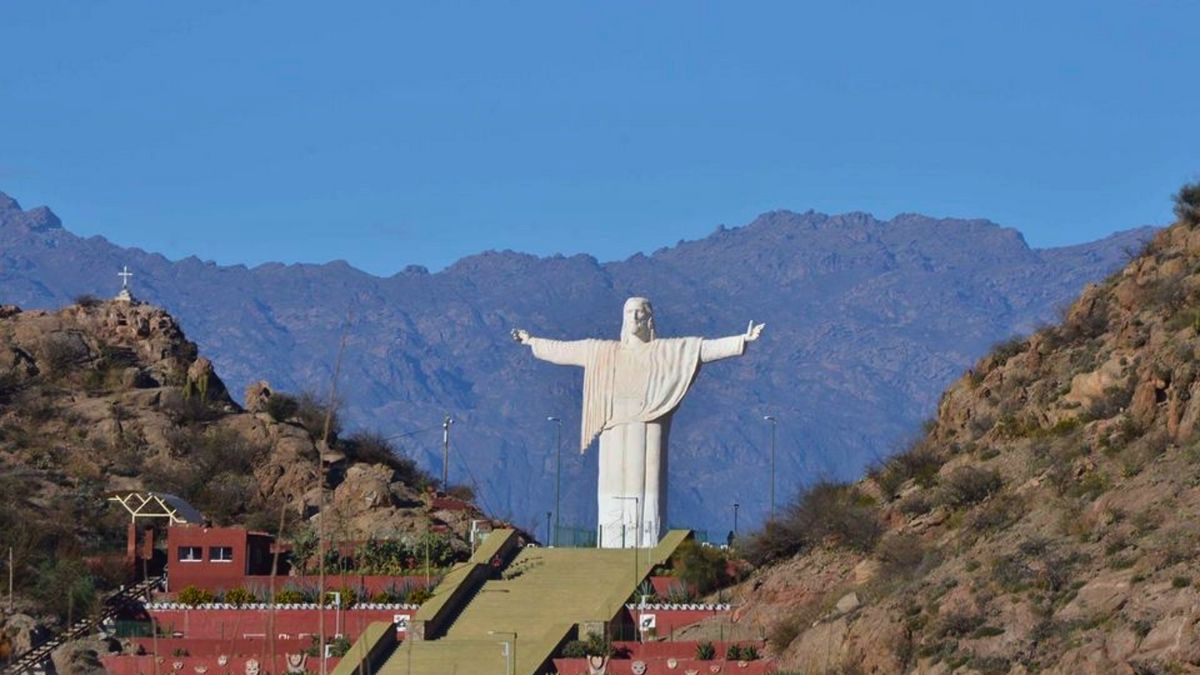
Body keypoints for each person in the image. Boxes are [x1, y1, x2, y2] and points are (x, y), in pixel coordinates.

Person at [512, 297, 764, 548]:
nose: (634, 317)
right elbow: (563, 350)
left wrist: (742, 340)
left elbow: (701, 350)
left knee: (647, 480)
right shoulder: (602, 351)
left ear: (649, 319)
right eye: (629, 312)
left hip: (649, 420)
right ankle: (610, 542)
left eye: (639, 313)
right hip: (612, 421)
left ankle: (646, 543)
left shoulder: (666, 351)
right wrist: (532, 341)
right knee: (610, 478)